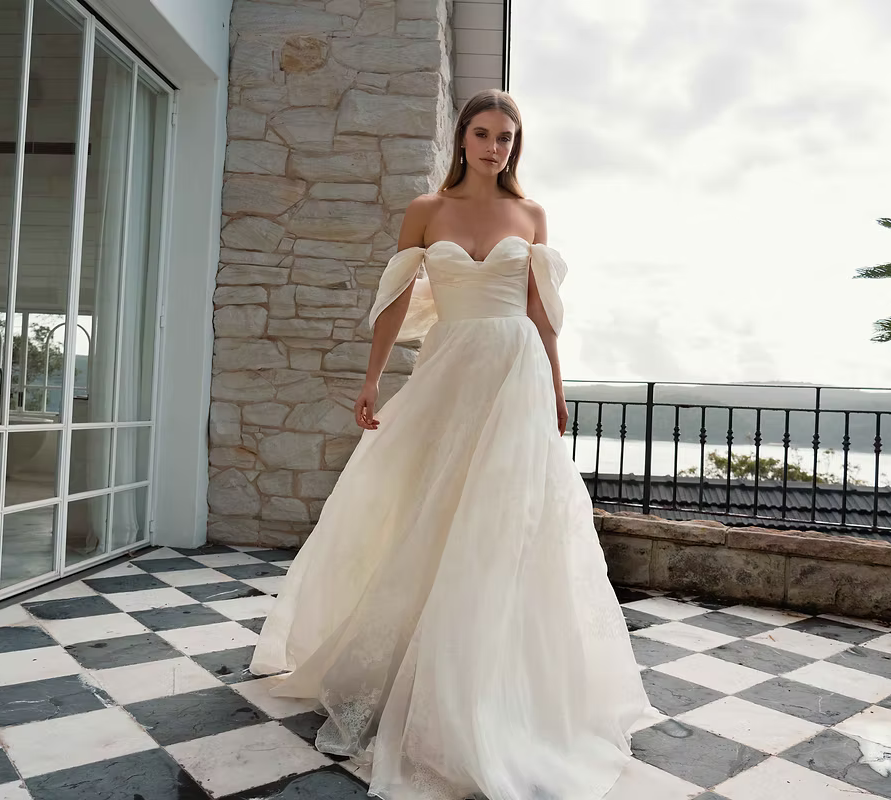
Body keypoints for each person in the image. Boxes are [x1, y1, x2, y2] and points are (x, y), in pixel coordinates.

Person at [250, 89, 656, 800]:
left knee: (502, 522)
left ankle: (490, 684)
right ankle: (413, 659)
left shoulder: (530, 216)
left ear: (514, 146)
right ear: (461, 139)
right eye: (482, 134)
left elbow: (541, 315)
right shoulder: (425, 212)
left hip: (515, 373)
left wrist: (558, 388)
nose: (494, 147)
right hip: (448, 371)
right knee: (424, 508)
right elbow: (395, 302)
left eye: (506, 137)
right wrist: (371, 379)